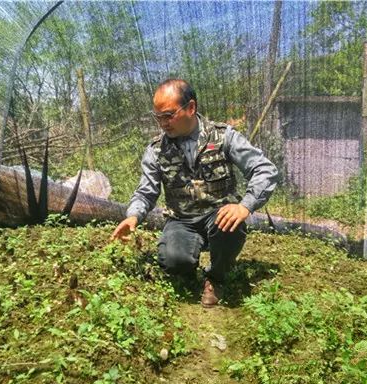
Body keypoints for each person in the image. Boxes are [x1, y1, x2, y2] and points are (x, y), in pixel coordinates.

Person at [110, 79, 278, 308]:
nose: (162, 123)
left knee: (230, 225)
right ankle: (187, 269)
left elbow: (264, 169)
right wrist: (133, 216)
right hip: (182, 220)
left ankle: (216, 278)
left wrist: (245, 205)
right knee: (172, 259)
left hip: (218, 216)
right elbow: (146, 191)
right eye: (158, 117)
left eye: (168, 115)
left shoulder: (223, 136)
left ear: (190, 107)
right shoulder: (156, 150)